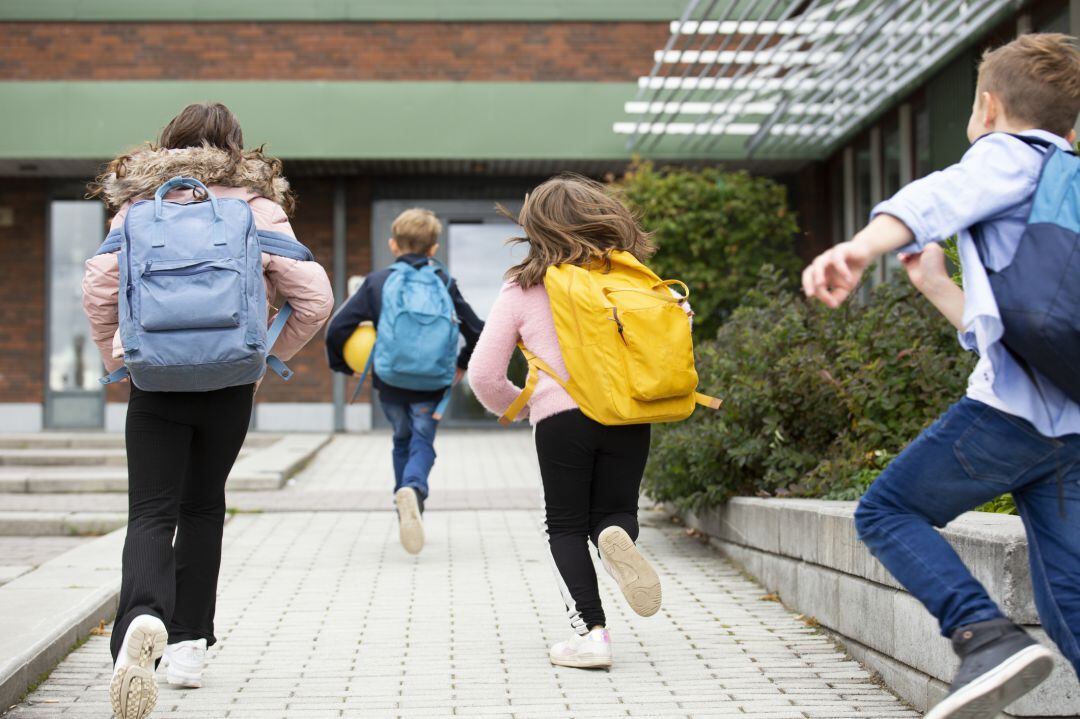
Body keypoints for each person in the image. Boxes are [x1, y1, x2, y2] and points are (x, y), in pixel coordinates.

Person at [802, 34, 1080, 719]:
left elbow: (938, 194)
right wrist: (935, 288)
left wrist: (861, 246)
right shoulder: (1066, 177)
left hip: (1011, 418)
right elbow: (1030, 326)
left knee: (887, 509)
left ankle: (983, 635)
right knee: (1068, 593)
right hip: (1068, 426)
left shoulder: (1007, 155)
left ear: (988, 106)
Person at [84, 102, 333, 719]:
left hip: (155, 382)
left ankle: (140, 622)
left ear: (167, 144)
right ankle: (190, 645)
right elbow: (316, 297)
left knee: (150, 510)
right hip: (228, 385)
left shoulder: (140, 206)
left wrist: (117, 358)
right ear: (237, 149)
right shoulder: (256, 207)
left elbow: (98, 287)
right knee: (202, 508)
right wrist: (265, 358)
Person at [468, 176, 667, 670]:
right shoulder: (633, 276)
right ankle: (614, 538)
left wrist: (519, 405)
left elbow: (484, 374)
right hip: (629, 413)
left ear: (537, 227)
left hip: (562, 417)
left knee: (564, 524)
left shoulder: (524, 285)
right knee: (616, 512)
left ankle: (592, 634)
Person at [325, 208, 483, 554]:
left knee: (401, 439)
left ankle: (404, 505)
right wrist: (461, 364)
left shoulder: (378, 282)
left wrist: (342, 366)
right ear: (433, 249)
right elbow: (477, 330)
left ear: (393, 245)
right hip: (432, 382)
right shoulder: (443, 282)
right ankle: (413, 489)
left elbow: (337, 328)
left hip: (391, 381)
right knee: (422, 440)